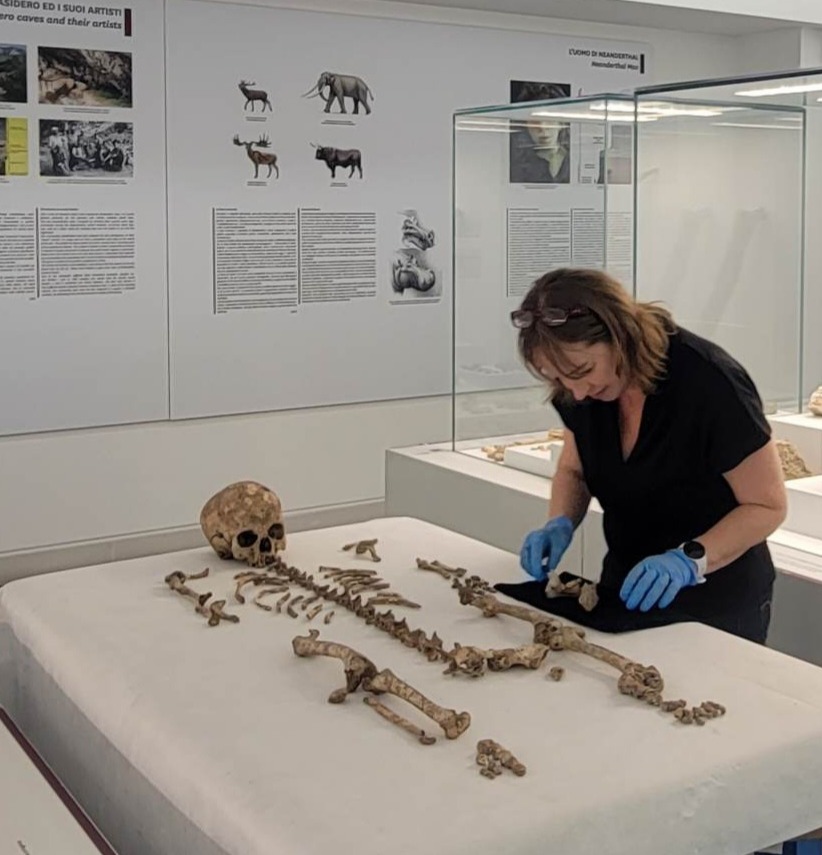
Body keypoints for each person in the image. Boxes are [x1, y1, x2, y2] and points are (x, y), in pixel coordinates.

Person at [513, 268, 787, 643]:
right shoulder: (582, 391)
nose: (576, 392)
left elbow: (767, 506)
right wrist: (559, 522)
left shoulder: (708, 381)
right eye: (559, 379)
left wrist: (688, 560)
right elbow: (574, 471)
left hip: (717, 599)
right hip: (626, 586)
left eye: (583, 371)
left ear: (620, 334)